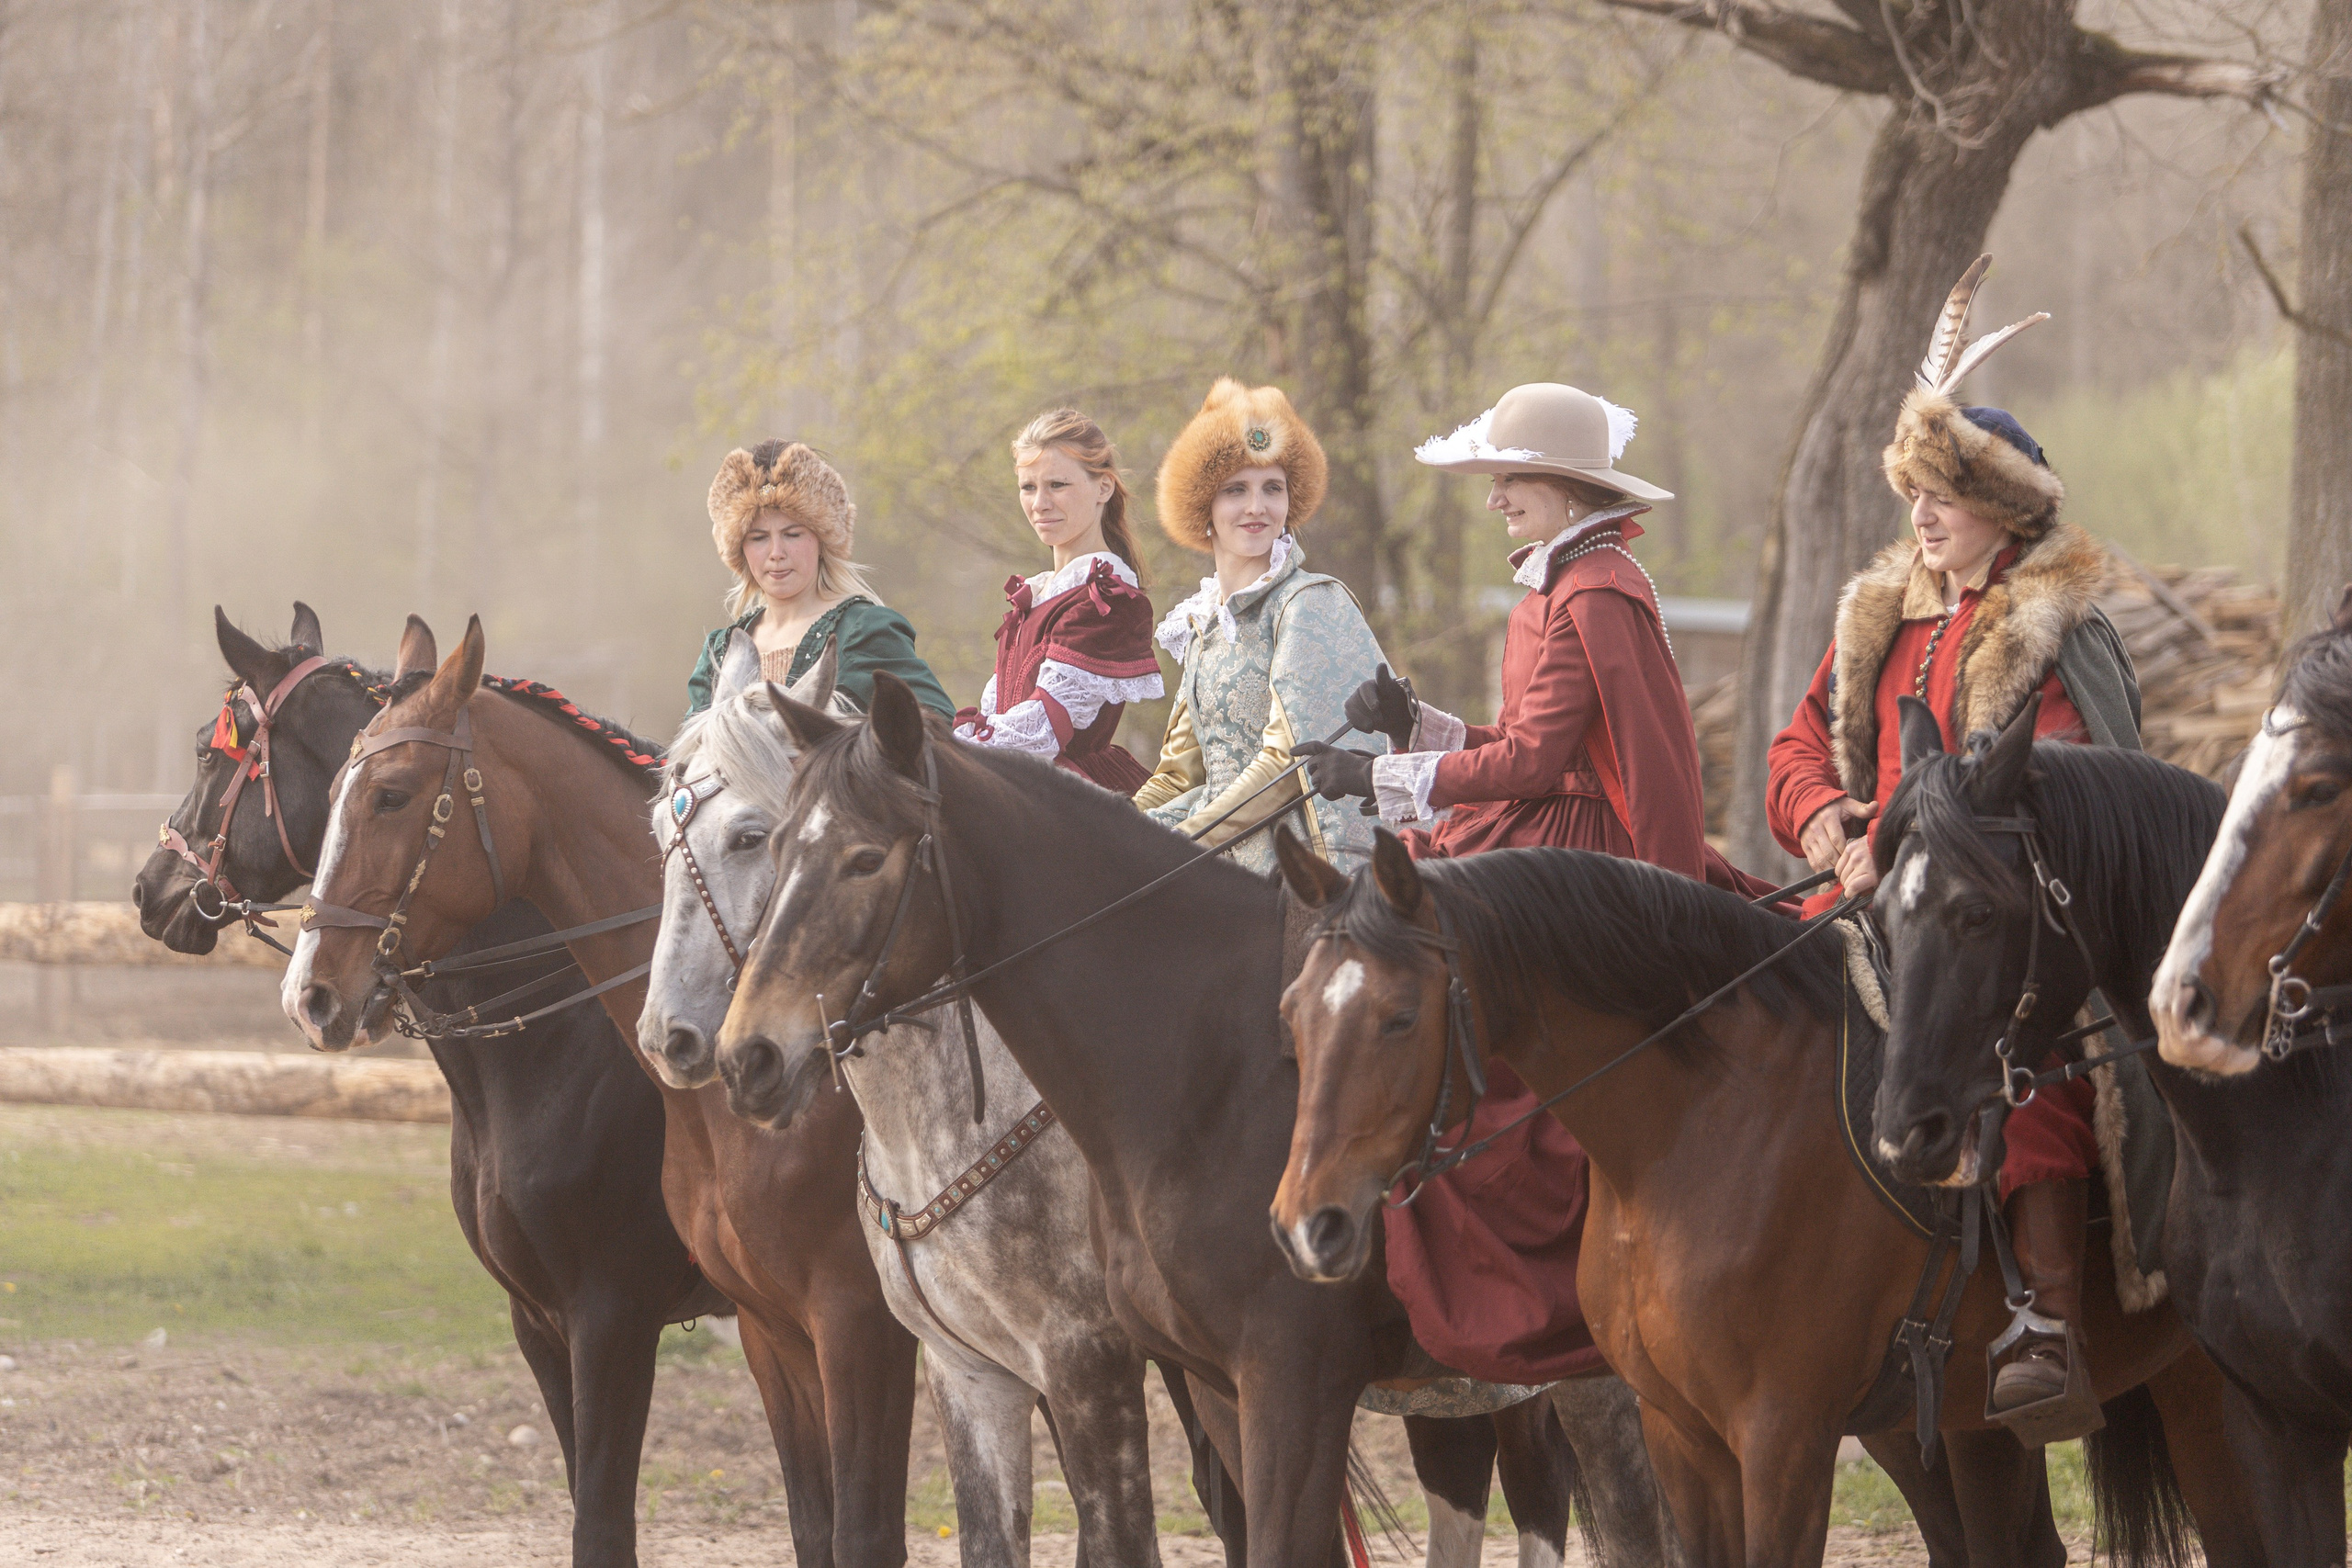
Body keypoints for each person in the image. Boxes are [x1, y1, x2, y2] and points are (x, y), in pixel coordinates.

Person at [1295, 380, 1760, 1391]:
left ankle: (1526, 1290)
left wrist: (1379, 776)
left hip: (1580, 846)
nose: (1497, 496)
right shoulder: (1566, 584)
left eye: (1511, 479)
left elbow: (1540, 765)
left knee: (1455, 1013)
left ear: (1562, 487)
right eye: (1496, 478)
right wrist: (1413, 724)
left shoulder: (1592, 591)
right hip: (1546, 815)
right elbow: (1523, 746)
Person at [1764, 261, 2139, 1430]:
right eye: (1913, 493)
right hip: (1859, 890)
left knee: (2027, 1080)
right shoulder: (1882, 613)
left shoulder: (2048, 630)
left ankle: (2042, 1316)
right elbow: (1792, 751)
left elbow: (2048, 794)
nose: (1920, 516)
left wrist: (1897, 846)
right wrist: (1828, 823)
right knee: (1743, 1013)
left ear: (2008, 510)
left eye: (1945, 495)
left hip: (1997, 918)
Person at [1132, 379, 1386, 874]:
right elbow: (1179, 777)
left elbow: (1289, 765)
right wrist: (1111, 822)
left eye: (1273, 488)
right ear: (1204, 509)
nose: (1256, 507)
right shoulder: (1202, 624)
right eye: (1235, 491)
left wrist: (1183, 842)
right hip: (1210, 832)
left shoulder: (1308, 603)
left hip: (1291, 854)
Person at [954, 410, 1162, 792]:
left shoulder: (1108, 598)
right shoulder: (1042, 593)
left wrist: (957, 752)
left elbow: (1045, 727)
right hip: (1016, 781)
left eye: (1057, 485)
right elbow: (999, 710)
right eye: (1028, 487)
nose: (1040, 503)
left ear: (1104, 488)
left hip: (1069, 794)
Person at [686, 439, 954, 718]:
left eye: (793, 534)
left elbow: (938, 725)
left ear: (822, 539)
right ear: (740, 548)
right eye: (759, 538)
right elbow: (687, 756)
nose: (776, 553)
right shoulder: (719, 653)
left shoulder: (864, 630)